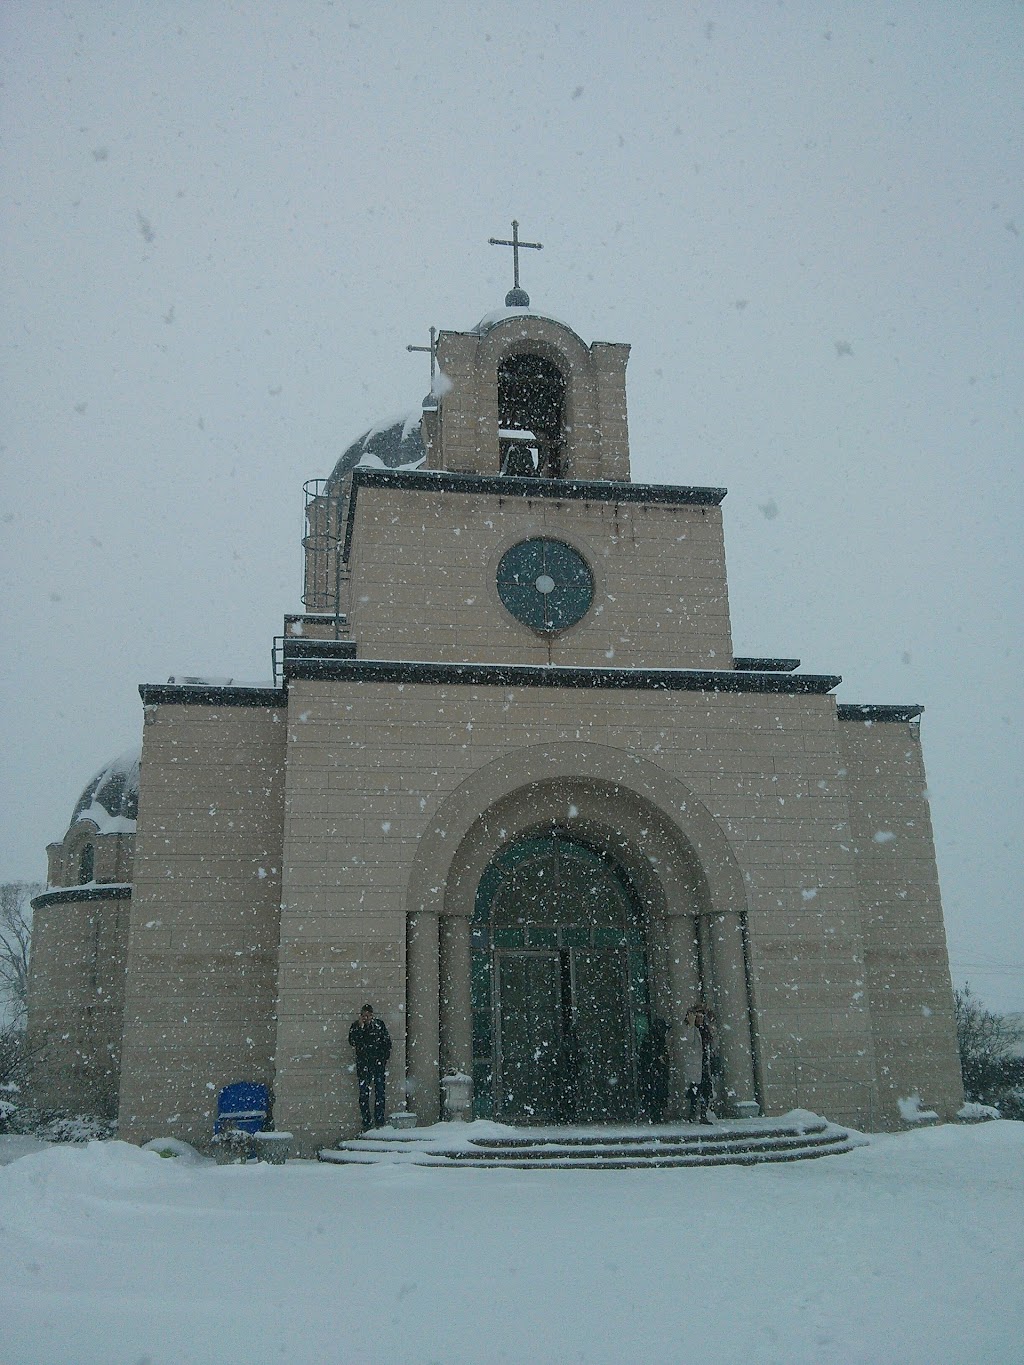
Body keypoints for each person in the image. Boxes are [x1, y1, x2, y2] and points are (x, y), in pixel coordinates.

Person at [348, 1003, 391, 1130]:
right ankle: (366, 1121)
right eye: (363, 1015)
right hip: (363, 1064)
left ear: (372, 1015)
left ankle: (379, 1120)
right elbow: (353, 1041)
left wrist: (382, 1058)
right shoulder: (356, 1026)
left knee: (380, 1092)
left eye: (368, 1015)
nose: (366, 1018)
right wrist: (360, 1028)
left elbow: (386, 1042)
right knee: (364, 1094)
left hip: (377, 1064)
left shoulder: (379, 1025)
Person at [683, 1005, 716, 1124]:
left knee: (706, 1090)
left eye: (702, 1016)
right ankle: (692, 1113)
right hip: (696, 1064)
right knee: (694, 1090)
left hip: (705, 1064)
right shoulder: (692, 1029)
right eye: (698, 1016)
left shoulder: (706, 1029)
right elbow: (689, 1041)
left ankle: (703, 1113)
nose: (700, 1019)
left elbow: (712, 1043)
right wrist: (691, 1025)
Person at [638, 1017, 672, 1123]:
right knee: (655, 1093)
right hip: (653, 1073)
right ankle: (655, 1114)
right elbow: (646, 1056)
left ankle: (657, 1114)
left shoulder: (656, 1039)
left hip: (656, 1072)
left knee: (658, 1093)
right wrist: (657, 1058)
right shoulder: (652, 1040)